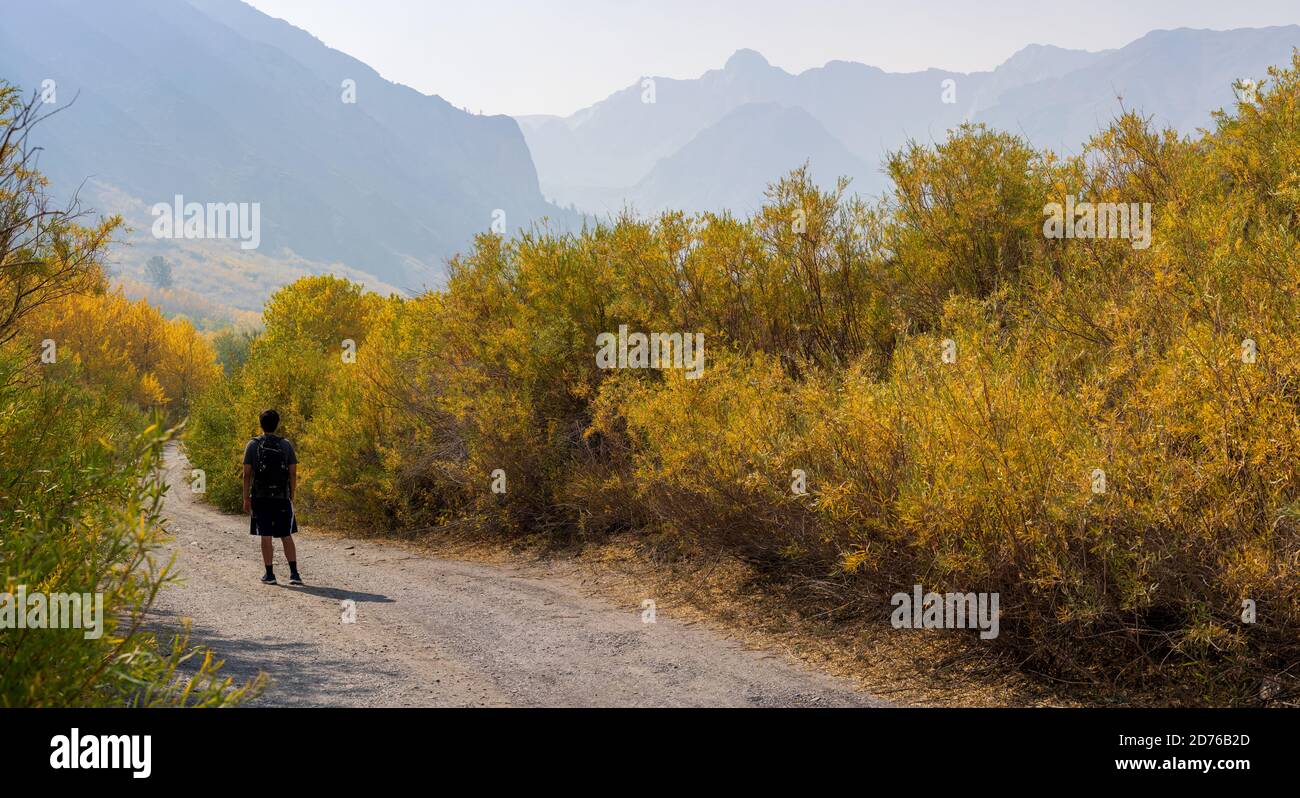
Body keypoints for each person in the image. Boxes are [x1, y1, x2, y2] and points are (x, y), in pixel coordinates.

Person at [242, 409, 303, 585]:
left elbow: (247, 474)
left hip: (260, 497)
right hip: (282, 497)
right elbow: (292, 473)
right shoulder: (286, 445)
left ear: (260, 424)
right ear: (277, 423)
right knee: (286, 534)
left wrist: (246, 498)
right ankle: (294, 574)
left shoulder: (252, 445)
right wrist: (292, 495)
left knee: (266, 536)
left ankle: (270, 575)